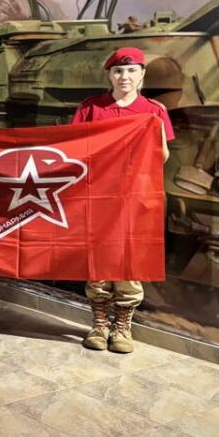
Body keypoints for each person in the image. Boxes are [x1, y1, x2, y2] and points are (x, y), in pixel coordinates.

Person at [71, 47, 173, 354]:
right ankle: (100, 324)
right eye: (117, 71)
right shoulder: (91, 108)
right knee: (99, 261)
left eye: (131, 71)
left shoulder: (154, 112)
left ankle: (122, 327)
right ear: (109, 75)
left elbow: (162, 157)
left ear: (142, 74)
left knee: (130, 262)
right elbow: (74, 150)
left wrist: (151, 137)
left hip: (136, 199)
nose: (124, 77)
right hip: (99, 197)